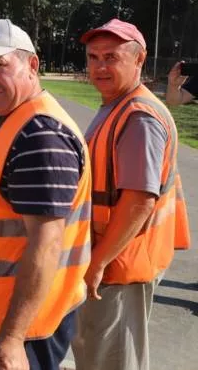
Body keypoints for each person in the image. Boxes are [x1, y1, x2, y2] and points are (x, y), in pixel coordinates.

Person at [0, 19, 92, 370]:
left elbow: (47, 243)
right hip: (8, 317)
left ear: (32, 65)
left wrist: (12, 338)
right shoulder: (19, 120)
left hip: (23, 329)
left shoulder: (40, 135)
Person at [71, 18, 191, 370]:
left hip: (120, 267)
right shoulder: (119, 105)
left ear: (139, 59)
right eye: (93, 57)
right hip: (116, 261)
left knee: (113, 362)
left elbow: (139, 201)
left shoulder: (139, 118)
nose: (99, 67)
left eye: (111, 57)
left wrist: (97, 263)